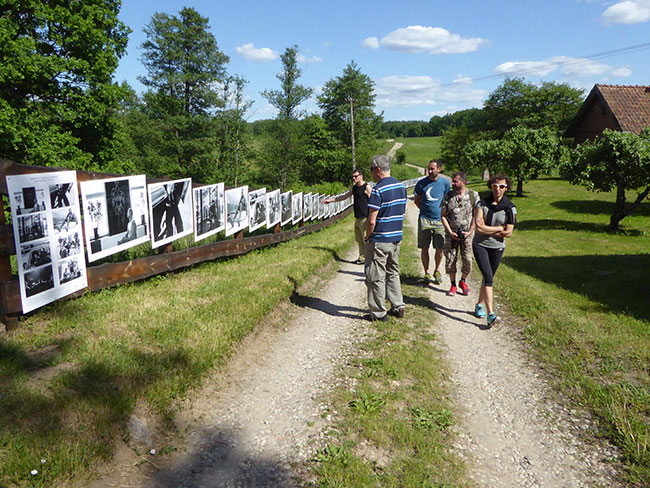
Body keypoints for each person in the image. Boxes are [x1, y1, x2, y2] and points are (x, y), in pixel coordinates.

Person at [364, 155, 407, 321]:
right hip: (396, 237)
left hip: (380, 238)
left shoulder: (378, 189)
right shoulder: (401, 186)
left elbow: (372, 220)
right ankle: (398, 306)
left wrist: (368, 237)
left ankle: (378, 312)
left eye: (372, 170)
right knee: (393, 272)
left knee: (375, 276)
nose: (371, 173)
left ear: (378, 170)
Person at [472, 173, 517, 328]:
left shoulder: (510, 208)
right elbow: (479, 227)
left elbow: (509, 233)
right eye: (494, 186)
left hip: (497, 247)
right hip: (480, 245)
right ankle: (491, 314)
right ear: (490, 187)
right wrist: (498, 228)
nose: (498, 189)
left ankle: (479, 304)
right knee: (488, 277)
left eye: (501, 186)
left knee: (488, 277)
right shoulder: (481, 203)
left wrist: (487, 229)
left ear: (507, 188)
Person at [441, 171, 479, 296]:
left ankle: (463, 280)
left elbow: (476, 215)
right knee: (450, 260)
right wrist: (450, 232)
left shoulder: (473, 195)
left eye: (455, 181)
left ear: (463, 182)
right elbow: (443, 216)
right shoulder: (448, 196)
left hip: (467, 235)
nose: (452, 183)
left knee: (468, 259)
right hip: (451, 234)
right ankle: (453, 285)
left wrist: (470, 231)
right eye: (452, 181)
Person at [413, 159, 450, 284]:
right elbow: (416, 200)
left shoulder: (445, 184)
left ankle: (437, 270)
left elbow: (447, 200)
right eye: (429, 168)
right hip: (425, 219)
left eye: (432, 169)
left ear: (439, 169)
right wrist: (424, 210)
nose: (429, 171)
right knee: (424, 247)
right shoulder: (421, 183)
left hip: (439, 220)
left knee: (439, 248)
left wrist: (442, 215)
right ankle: (427, 272)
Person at [324, 169, 372, 264]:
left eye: (355, 176)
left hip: (365, 217)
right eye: (352, 177)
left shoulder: (367, 187)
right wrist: (331, 200)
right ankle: (362, 257)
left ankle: (369, 258)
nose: (354, 178)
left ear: (361, 176)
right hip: (357, 217)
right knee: (358, 239)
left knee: (366, 239)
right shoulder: (354, 188)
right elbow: (344, 197)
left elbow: (373, 201)